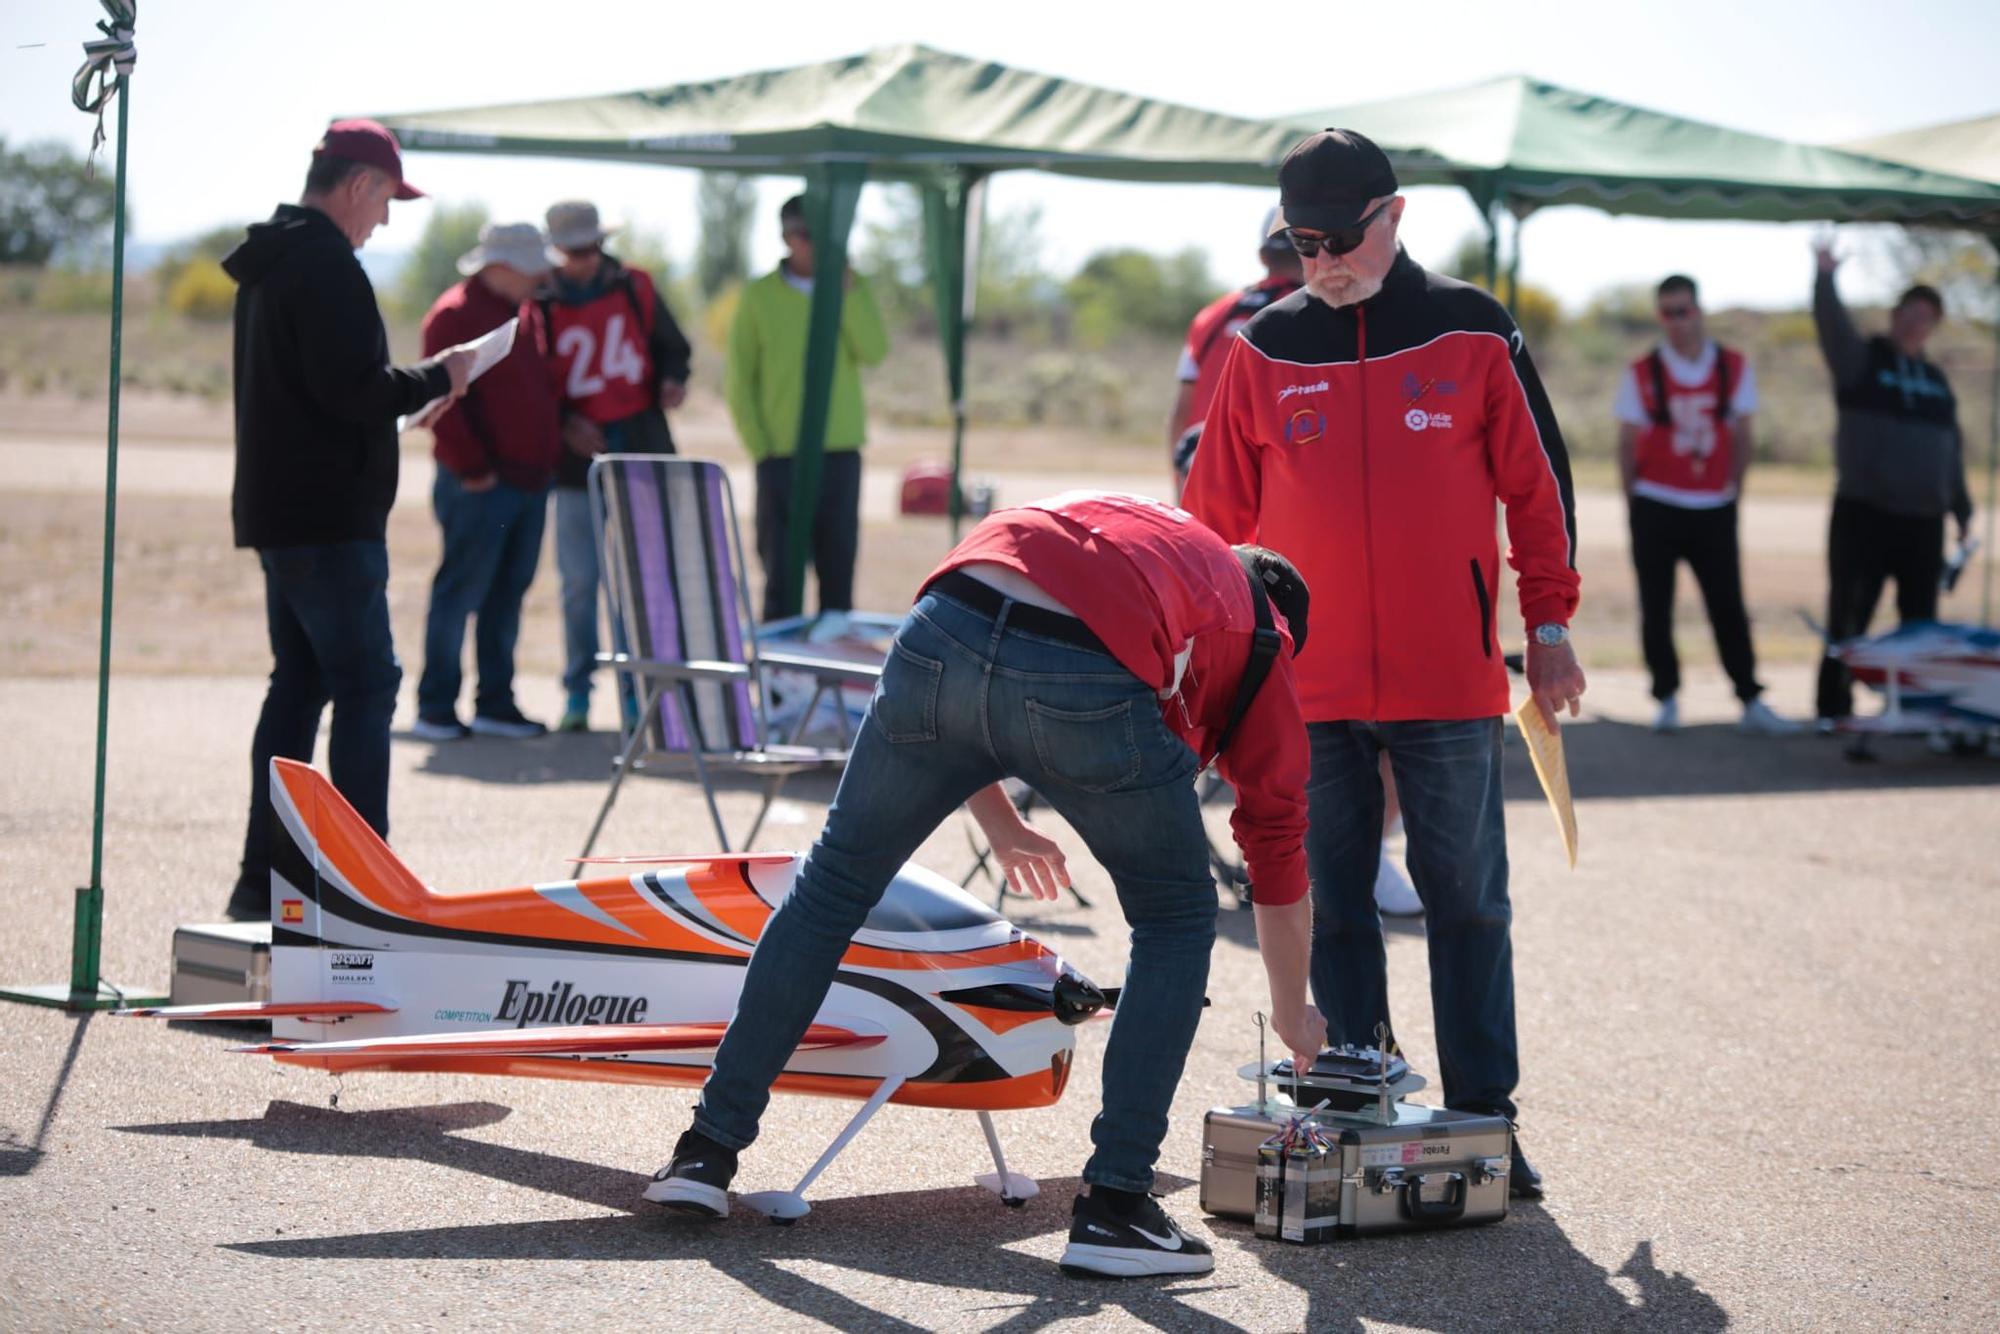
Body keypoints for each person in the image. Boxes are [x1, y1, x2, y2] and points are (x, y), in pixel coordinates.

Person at [648, 491, 1326, 1280]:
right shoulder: (1261, 634)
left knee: (833, 884)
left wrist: (999, 821)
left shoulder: (1165, 542)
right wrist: (1291, 1013)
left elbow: (983, 679)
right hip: (1076, 658)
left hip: (950, 611)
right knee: (1175, 918)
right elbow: (1275, 846)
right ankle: (1116, 1208)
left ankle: (704, 1154)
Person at [1184, 128, 1587, 1199]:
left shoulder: (1472, 328)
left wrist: (1546, 626)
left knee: (1465, 902)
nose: (1318, 262)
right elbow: (1209, 526)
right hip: (1301, 688)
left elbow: (1538, 490)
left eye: (1335, 239)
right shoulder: (1261, 346)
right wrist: (1208, 670)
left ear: (1392, 215)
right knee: (1329, 904)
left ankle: (1482, 1123)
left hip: (1448, 679)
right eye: (1298, 243)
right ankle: (1350, 1113)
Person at [221, 120, 473, 920]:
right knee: (366, 686)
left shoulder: (272, 258)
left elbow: (325, 392)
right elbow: (353, 389)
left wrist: (401, 401)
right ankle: (364, 891)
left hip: (285, 511)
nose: (386, 221)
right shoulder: (325, 262)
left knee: (299, 688)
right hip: (328, 520)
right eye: (388, 200)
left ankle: (263, 882)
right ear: (359, 183)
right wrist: (441, 375)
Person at [1614, 275, 1797, 735]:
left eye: (1684, 310)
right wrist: (1632, 500)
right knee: (1656, 606)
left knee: (1727, 603)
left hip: (1713, 504)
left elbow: (1743, 435)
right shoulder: (1643, 371)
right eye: (1668, 312)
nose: (1678, 321)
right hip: (1657, 501)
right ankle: (1667, 696)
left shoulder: (1732, 366)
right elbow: (1626, 441)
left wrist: (1733, 487)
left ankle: (1750, 696)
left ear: (1699, 310)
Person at [538, 199, 693, 733]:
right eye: (573, 249)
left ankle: (640, 696)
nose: (584, 258)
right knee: (579, 583)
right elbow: (531, 382)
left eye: (591, 246)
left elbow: (675, 350)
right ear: (557, 249)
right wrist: (564, 425)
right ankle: (578, 694)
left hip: (640, 456)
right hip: (573, 466)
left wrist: (673, 381)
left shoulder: (637, 286)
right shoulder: (540, 299)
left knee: (640, 581)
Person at [1811, 239, 1973, 728]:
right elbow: (1833, 326)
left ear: (1932, 327)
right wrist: (1824, 278)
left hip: (1924, 522)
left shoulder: (1937, 382)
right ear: (1895, 313)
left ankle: (1911, 707)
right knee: (1850, 616)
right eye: (1909, 312)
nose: (1914, 322)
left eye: (1925, 317)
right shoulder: (1863, 362)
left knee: (1919, 623)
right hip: (1865, 512)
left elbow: (1951, 449)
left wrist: (1961, 509)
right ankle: (1833, 708)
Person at [411, 223, 563, 741]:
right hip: (478, 485)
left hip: (526, 482)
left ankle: (495, 703)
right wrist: (474, 469)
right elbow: (441, 406)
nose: (540, 275)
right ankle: (436, 707)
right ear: (499, 266)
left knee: (507, 594)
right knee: (460, 592)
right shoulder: (453, 315)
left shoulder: (524, 313)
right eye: (529, 266)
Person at [725, 194, 889, 621]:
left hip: (839, 452)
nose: (815, 245)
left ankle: (830, 682)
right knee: (781, 576)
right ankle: (780, 686)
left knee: (838, 575)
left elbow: (874, 351)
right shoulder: (760, 296)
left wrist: (846, 295)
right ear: (786, 237)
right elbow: (740, 379)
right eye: (806, 235)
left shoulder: (852, 285)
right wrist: (762, 447)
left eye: (824, 236)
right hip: (781, 455)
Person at [1169, 208, 1303, 496]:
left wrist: (1181, 486)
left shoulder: (1211, 316)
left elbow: (1181, 411)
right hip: (1280, 482)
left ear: (1263, 256)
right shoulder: (1322, 313)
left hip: (1205, 475)